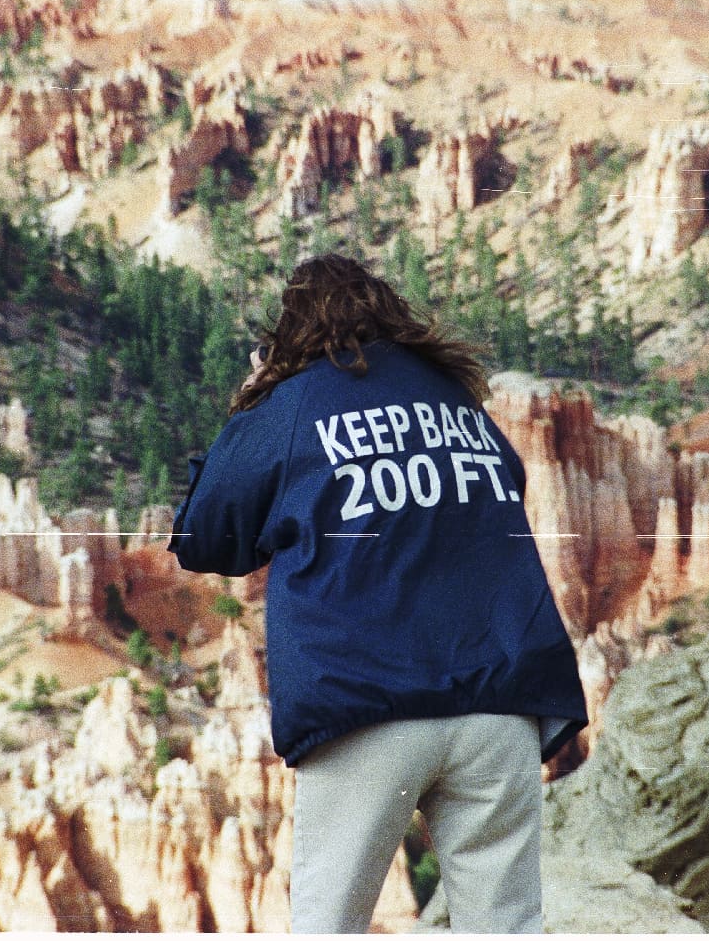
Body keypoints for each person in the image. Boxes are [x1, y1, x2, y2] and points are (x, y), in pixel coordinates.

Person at [167, 253, 587, 933]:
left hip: (369, 705)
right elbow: (508, 483)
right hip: (500, 704)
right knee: (506, 925)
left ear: (292, 330)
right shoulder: (458, 403)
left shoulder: (295, 402)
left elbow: (206, 537)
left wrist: (252, 405)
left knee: (328, 925)